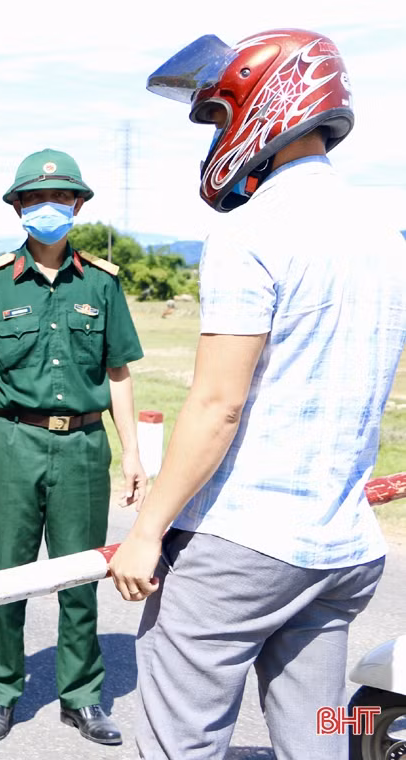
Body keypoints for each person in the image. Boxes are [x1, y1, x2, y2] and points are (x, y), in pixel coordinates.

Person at [109, 29, 406, 759]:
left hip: (243, 545)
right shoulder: (385, 236)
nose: (215, 135)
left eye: (217, 116)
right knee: (320, 733)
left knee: (180, 738)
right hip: (341, 549)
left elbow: (218, 405)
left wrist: (146, 532)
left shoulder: (252, 231)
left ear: (265, 104)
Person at [0, 149, 145, 747]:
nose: (48, 208)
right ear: (18, 208)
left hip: (84, 443)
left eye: (60, 197)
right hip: (13, 440)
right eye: (35, 198)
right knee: (4, 577)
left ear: (78, 205)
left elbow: (118, 372)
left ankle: (82, 697)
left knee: (81, 577)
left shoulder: (102, 283)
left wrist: (132, 452)